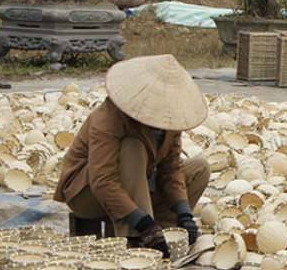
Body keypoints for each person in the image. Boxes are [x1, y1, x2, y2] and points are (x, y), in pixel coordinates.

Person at [54, 55, 210, 258]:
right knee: (133, 147)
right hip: (89, 193)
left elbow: (171, 170)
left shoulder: (170, 121)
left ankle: (162, 228)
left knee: (200, 168)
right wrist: (141, 221)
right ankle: (135, 236)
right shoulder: (109, 117)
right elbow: (103, 180)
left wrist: (184, 212)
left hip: (137, 186)